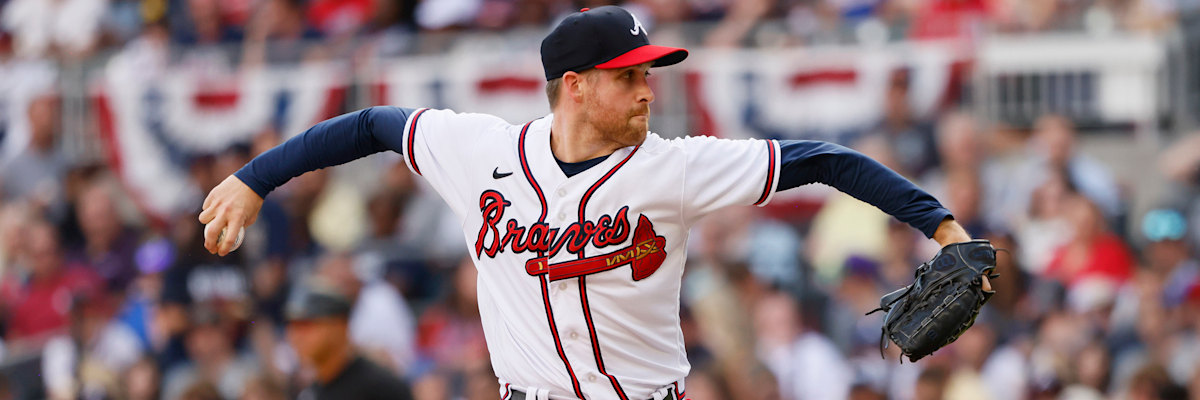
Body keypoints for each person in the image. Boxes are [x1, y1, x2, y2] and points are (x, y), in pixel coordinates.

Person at [200, 6, 983, 399]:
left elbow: (826, 160)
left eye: (648, 74)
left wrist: (944, 227)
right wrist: (253, 179)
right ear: (574, 87)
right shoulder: (480, 152)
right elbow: (371, 124)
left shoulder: (674, 168)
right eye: (628, 76)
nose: (647, 89)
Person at [286, 278, 415, 400]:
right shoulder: (311, 392)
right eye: (292, 326)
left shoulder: (381, 388)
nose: (296, 336)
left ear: (340, 326)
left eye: (305, 325)